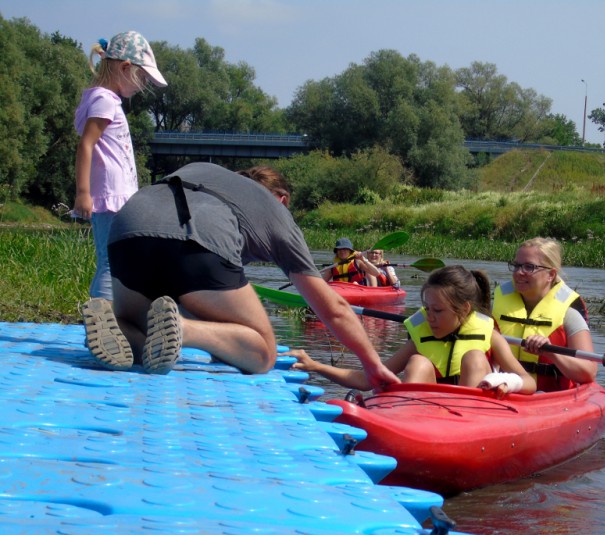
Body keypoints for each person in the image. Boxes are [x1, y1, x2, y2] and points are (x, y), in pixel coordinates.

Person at [79, 161, 400, 389]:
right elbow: (333, 309)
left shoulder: (206, 172)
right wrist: (373, 365)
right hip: (195, 238)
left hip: (126, 230)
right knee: (263, 352)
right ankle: (181, 328)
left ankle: (121, 326)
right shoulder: (275, 211)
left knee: (139, 324)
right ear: (283, 200)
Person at [285, 265, 536, 396]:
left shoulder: (490, 336)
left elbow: (528, 383)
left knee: (473, 357)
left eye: (438, 311)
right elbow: (368, 378)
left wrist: (503, 381)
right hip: (425, 417)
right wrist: (316, 366)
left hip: (474, 418)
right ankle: (407, 417)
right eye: (427, 308)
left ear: (464, 309)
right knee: (418, 362)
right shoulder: (420, 339)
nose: (430, 318)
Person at [73, 31, 167, 300]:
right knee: (110, 261)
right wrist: (83, 193)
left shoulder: (105, 98)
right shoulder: (103, 99)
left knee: (117, 260)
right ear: (125, 68)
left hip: (118, 195)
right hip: (110, 195)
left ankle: (110, 318)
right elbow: (86, 145)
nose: (142, 86)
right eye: (142, 78)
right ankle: (100, 321)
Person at [492, 237, 596, 391]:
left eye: (529, 267)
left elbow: (588, 372)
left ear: (551, 275)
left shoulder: (570, 314)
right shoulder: (495, 306)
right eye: (516, 265)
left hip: (550, 397)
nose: (519, 272)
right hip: (502, 389)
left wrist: (551, 352)